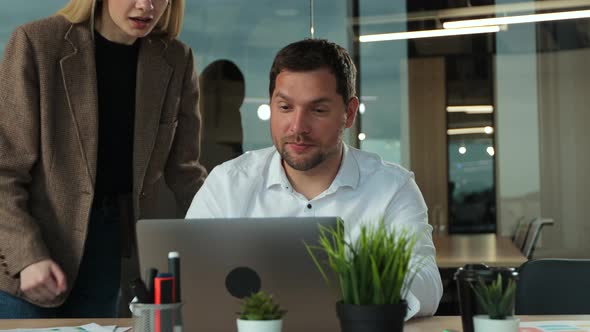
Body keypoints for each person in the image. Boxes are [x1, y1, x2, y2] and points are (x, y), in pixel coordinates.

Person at [185, 39, 443, 317]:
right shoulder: (227, 183)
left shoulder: (393, 188)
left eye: (318, 110)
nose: (298, 127)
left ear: (350, 113)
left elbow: (427, 285)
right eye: (285, 108)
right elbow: (186, 275)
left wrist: (350, 283)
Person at [0, 0, 206, 318]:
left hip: (108, 244)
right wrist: (25, 255)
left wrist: (232, 231)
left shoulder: (176, 59)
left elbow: (185, 171)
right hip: (30, 244)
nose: (146, 6)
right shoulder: (36, 42)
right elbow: (4, 170)